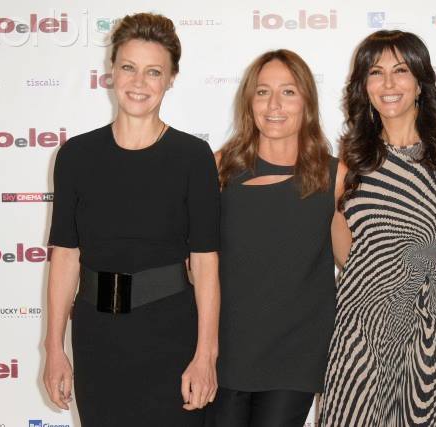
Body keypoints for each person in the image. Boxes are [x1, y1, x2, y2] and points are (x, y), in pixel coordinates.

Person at [42, 13, 220, 426]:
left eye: (153, 71)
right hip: (97, 338)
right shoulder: (75, 156)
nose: (139, 82)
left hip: (171, 337)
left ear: (171, 79)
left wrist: (205, 355)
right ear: (112, 71)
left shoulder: (193, 158)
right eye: (129, 67)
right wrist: (53, 347)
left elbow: (205, 262)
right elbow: (65, 256)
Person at [320, 30, 436, 426]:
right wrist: (393, 263)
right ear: (364, 86)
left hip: (431, 326)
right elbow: (341, 239)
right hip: (359, 326)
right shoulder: (349, 160)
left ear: (420, 82)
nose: (389, 84)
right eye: (376, 73)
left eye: (401, 71)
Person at [205, 49, 348, 427]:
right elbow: (194, 257)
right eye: (263, 92)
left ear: (307, 102)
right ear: (249, 101)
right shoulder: (219, 168)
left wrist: (419, 259)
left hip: (297, 350)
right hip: (225, 344)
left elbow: (354, 257)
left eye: (288, 92)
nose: (274, 105)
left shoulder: (334, 175)